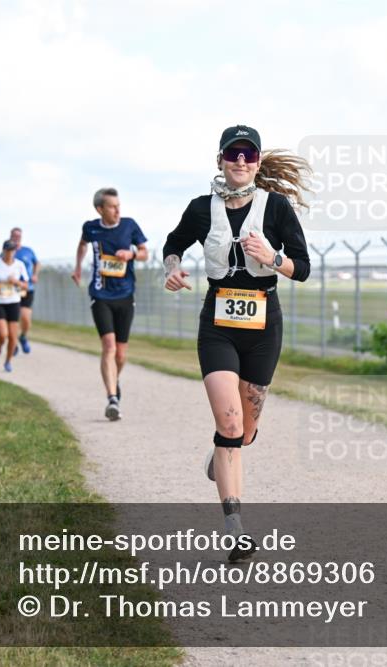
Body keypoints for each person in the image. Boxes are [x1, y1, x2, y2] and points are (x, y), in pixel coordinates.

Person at [163, 125, 312, 562]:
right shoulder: (200, 208)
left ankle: (222, 453)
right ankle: (235, 528)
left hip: (265, 324)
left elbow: (302, 267)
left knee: (244, 432)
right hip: (219, 324)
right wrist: (172, 267)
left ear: (259, 162)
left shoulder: (276, 207)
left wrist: (273, 259)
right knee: (229, 424)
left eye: (249, 154)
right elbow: (173, 245)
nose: (240, 161)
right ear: (220, 160)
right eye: (233, 153)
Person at [72, 188, 149, 420]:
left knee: (121, 355)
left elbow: (145, 252)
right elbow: (82, 245)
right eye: (112, 207)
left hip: (125, 295)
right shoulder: (91, 227)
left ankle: (114, 379)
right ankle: (112, 398)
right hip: (100, 294)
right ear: (100, 209)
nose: (118, 210)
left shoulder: (129, 225)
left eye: (119, 206)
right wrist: (77, 267)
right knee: (109, 346)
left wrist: (132, 254)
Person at [0, 240, 29, 372]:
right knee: (3, 334)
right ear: (3, 251)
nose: (9, 253)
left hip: (13, 301)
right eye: (7, 250)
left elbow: (26, 285)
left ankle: (8, 361)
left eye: (12, 251)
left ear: (15, 252)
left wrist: (16, 282)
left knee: (13, 336)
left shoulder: (19, 265)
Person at [10, 227, 39, 355]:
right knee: (13, 319)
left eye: (18, 235)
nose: (16, 237)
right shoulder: (6, 252)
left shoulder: (28, 251)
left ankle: (23, 336)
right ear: (11, 236)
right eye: (14, 235)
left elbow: (37, 263)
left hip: (27, 288)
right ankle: (13, 342)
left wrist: (35, 274)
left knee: (26, 318)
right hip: (11, 290)